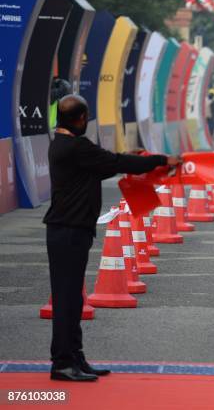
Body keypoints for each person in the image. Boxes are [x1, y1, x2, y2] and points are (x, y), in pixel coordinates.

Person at [43, 95, 181, 382]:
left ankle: (76, 358)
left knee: (72, 299)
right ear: (81, 119)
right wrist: (160, 160)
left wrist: (134, 155)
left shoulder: (62, 143)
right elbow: (114, 161)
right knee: (68, 299)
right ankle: (62, 363)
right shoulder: (76, 146)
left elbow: (106, 163)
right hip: (68, 230)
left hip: (69, 229)